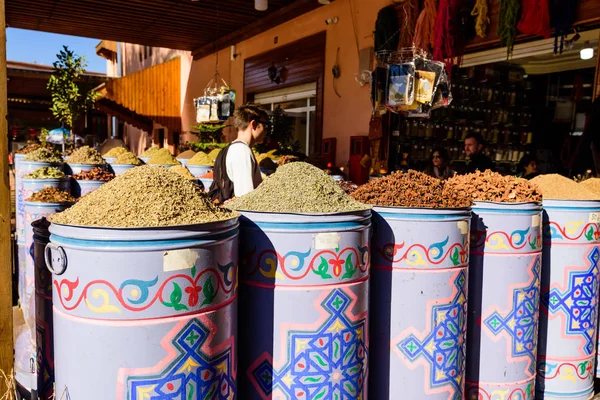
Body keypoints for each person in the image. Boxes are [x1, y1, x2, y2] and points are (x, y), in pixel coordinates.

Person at [209, 104, 269, 203]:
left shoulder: (231, 148)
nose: (266, 131)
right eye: (265, 126)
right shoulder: (242, 151)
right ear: (253, 124)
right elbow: (246, 198)